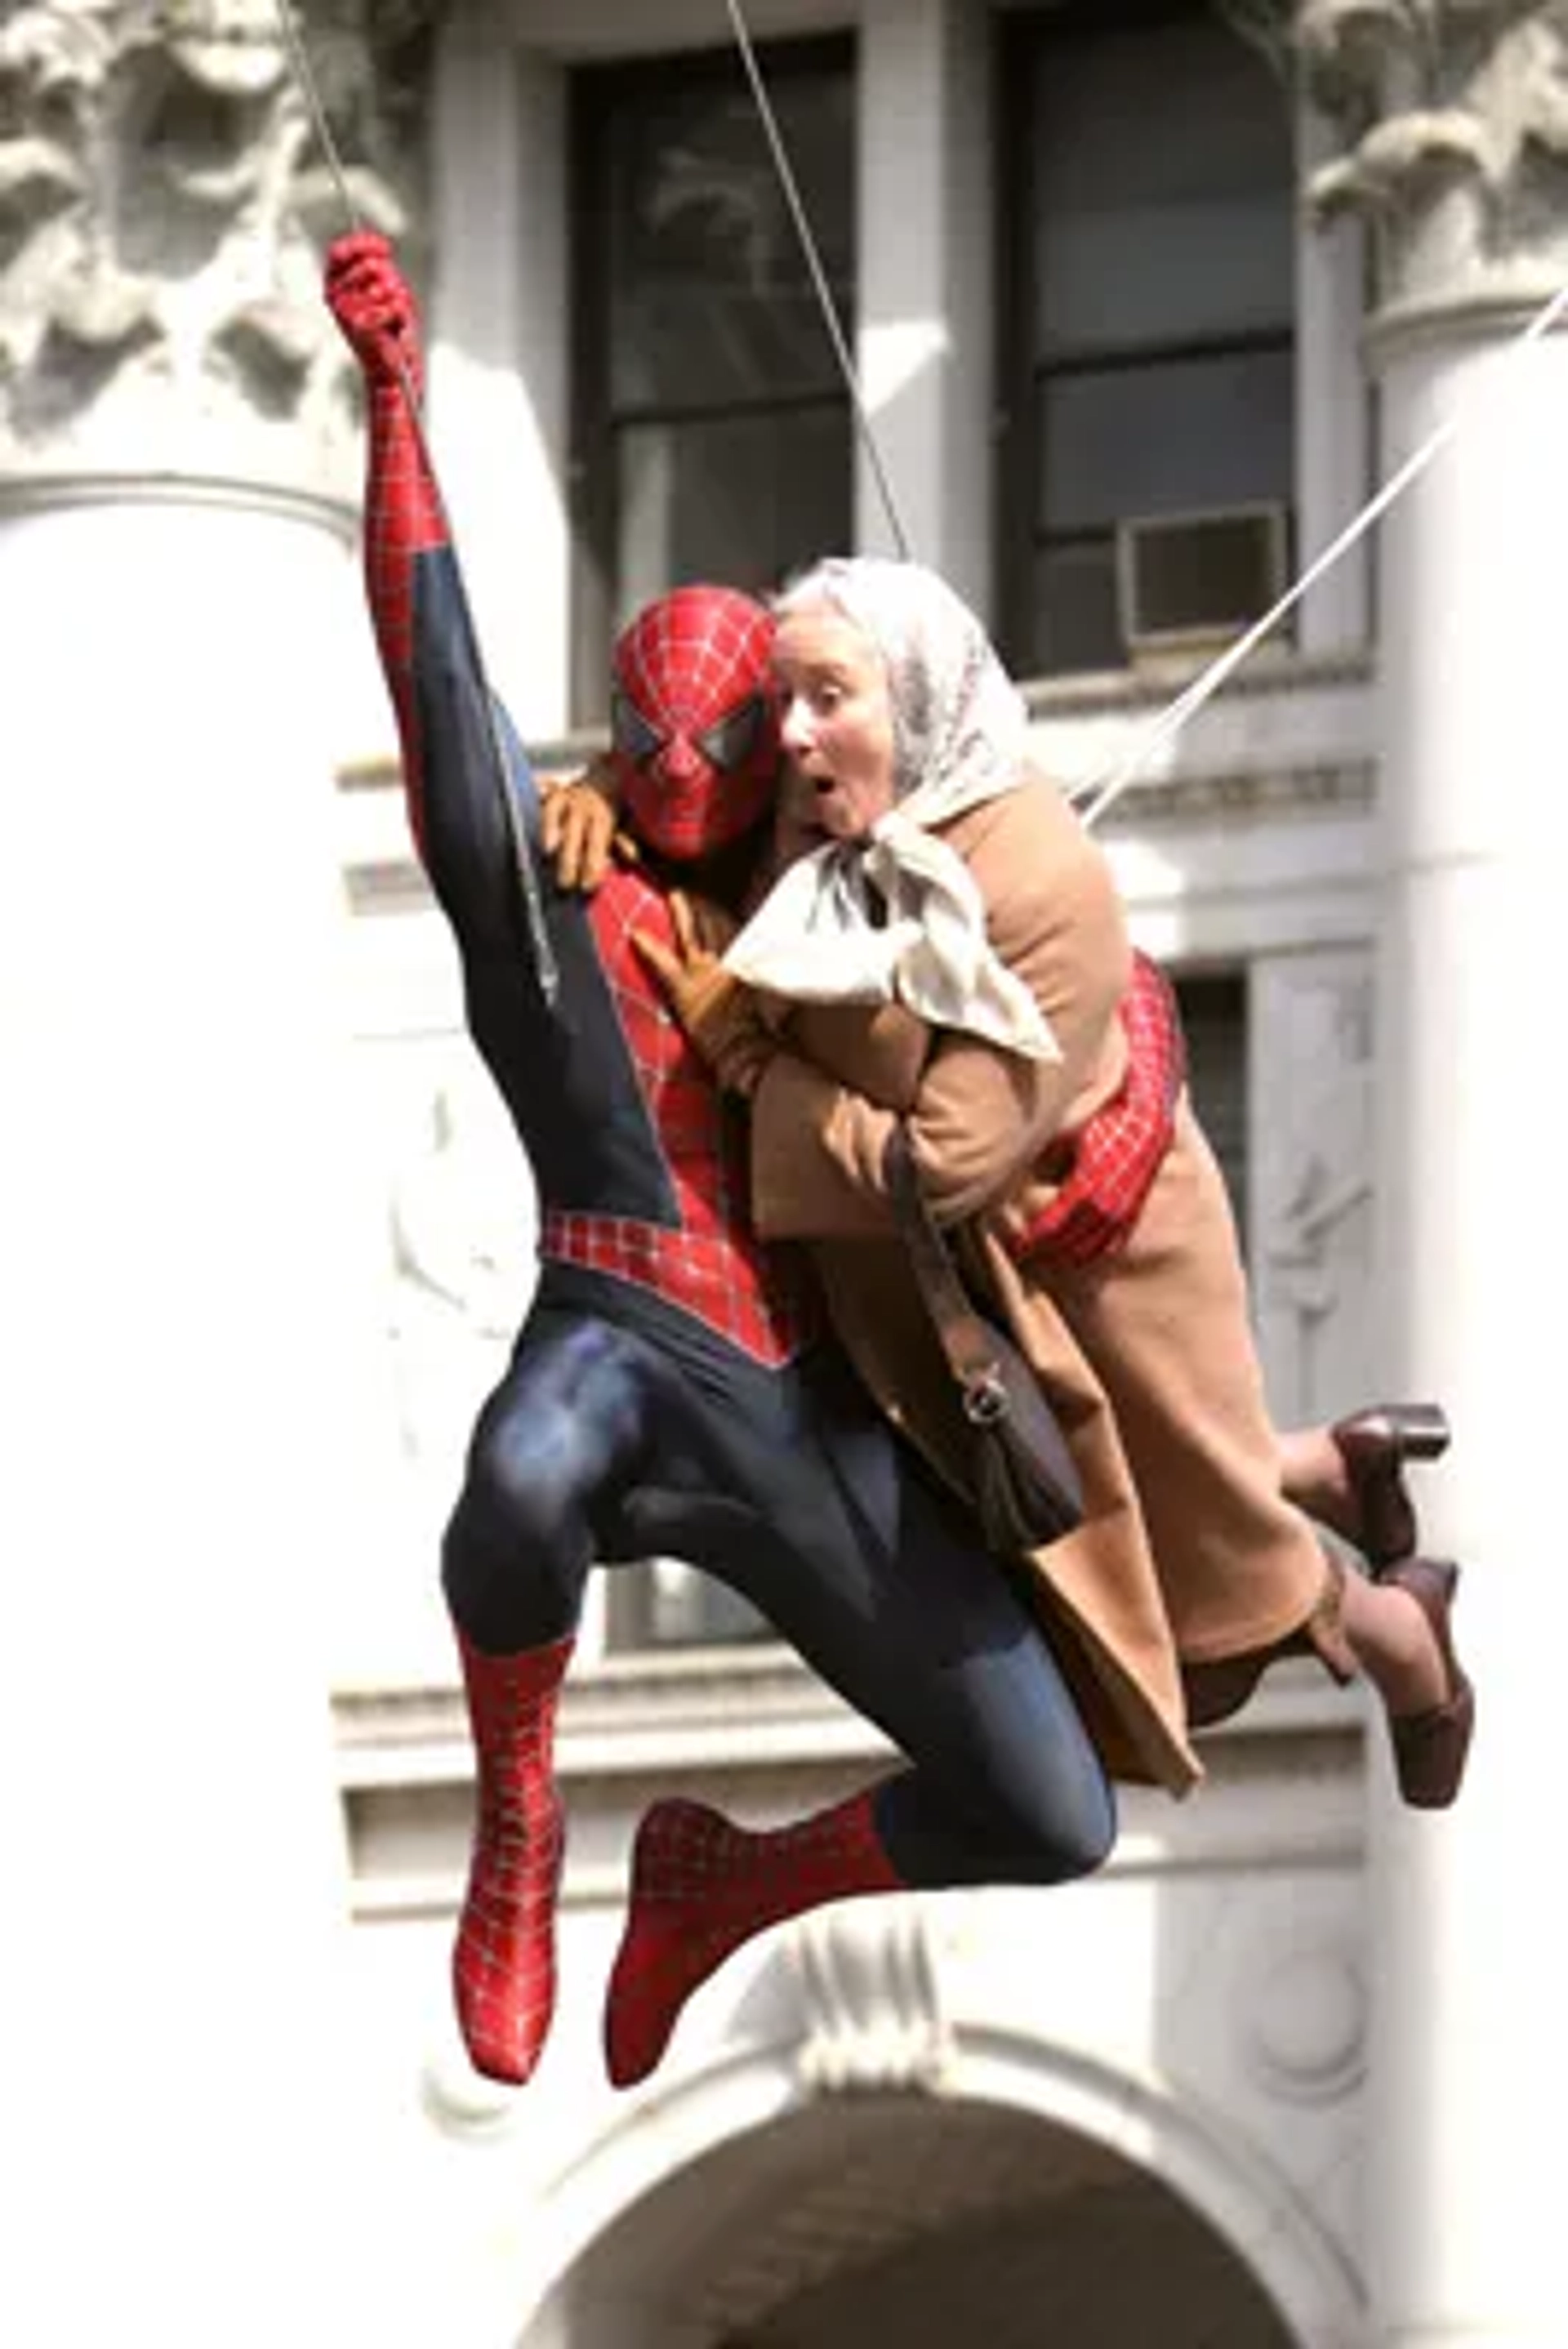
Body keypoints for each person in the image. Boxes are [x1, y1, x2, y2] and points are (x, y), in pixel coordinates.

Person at [324, 231, 1158, 2101]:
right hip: (617, 1324)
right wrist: (394, 400)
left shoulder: (840, 913)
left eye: (757, 743)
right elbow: (434, 674)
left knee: (1051, 1804)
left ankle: (718, 1885)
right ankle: (522, 1834)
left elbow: (1050, 985)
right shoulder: (557, 893)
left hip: (819, 1410)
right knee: (518, 1474)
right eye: (687, 751)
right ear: (630, 755)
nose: (728, 770)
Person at [631, 555, 1474, 1810]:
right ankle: (1331, 1468)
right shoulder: (829, 821)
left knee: (1191, 1594)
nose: (792, 734)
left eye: (828, 696)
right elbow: (680, 780)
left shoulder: (1037, 880)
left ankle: (1403, 1642)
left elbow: (945, 1165)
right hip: (943, 1283)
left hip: (1085, 1274)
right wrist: (598, 790)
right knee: (1146, 1537)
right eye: (782, 699)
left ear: (912, 699)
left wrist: (747, 1056)